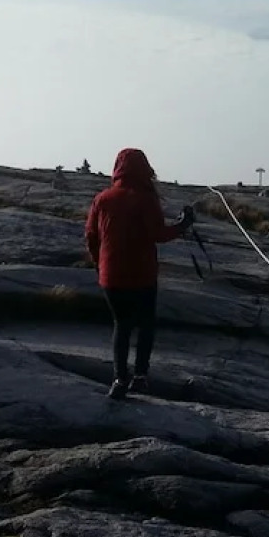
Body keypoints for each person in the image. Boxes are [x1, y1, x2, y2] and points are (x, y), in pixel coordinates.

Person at [84, 147, 195, 400]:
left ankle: (119, 379)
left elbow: (91, 236)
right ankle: (140, 377)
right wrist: (183, 225)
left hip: (111, 276)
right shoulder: (145, 198)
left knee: (121, 326)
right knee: (145, 324)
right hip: (142, 274)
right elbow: (158, 234)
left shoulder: (102, 199)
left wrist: (99, 263)